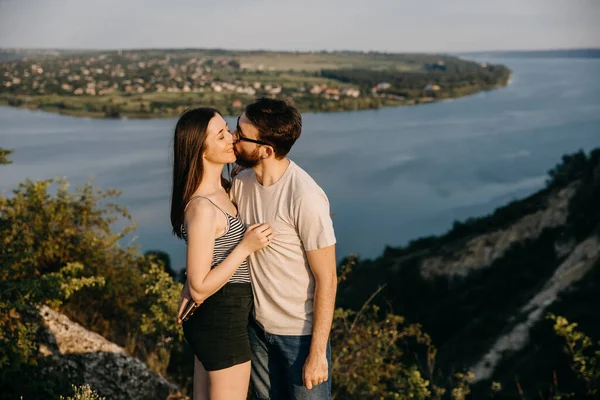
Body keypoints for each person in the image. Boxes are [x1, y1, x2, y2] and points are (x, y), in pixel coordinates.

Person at [231, 98, 337, 399]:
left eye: (240, 133)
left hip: (299, 337)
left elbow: (327, 278)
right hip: (257, 330)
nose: (233, 137)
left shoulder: (304, 196)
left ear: (266, 150)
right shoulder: (241, 183)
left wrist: (318, 353)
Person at [170, 107, 273, 400]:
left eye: (227, 129)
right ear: (200, 151)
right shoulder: (202, 207)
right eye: (221, 135)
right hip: (221, 318)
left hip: (218, 317)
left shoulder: (224, 190)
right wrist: (246, 247)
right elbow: (200, 287)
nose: (232, 138)